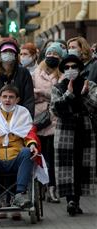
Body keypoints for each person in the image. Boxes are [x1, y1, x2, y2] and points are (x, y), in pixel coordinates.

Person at [50, 54, 97, 216]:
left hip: (84, 127)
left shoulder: (88, 84)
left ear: (79, 68)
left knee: (81, 164)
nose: (71, 70)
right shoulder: (58, 87)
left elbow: (94, 104)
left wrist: (83, 94)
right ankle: (70, 200)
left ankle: (76, 200)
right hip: (65, 129)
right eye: (67, 67)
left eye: (74, 67)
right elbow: (55, 109)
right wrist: (69, 95)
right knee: (66, 164)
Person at [32, 42, 64, 203]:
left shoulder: (63, 73)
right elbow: (31, 94)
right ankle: (40, 186)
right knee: (39, 155)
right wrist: (47, 95)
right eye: (50, 53)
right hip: (39, 119)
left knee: (52, 157)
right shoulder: (36, 72)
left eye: (56, 55)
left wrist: (43, 93)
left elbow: (61, 94)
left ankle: (52, 188)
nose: (52, 57)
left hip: (55, 119)